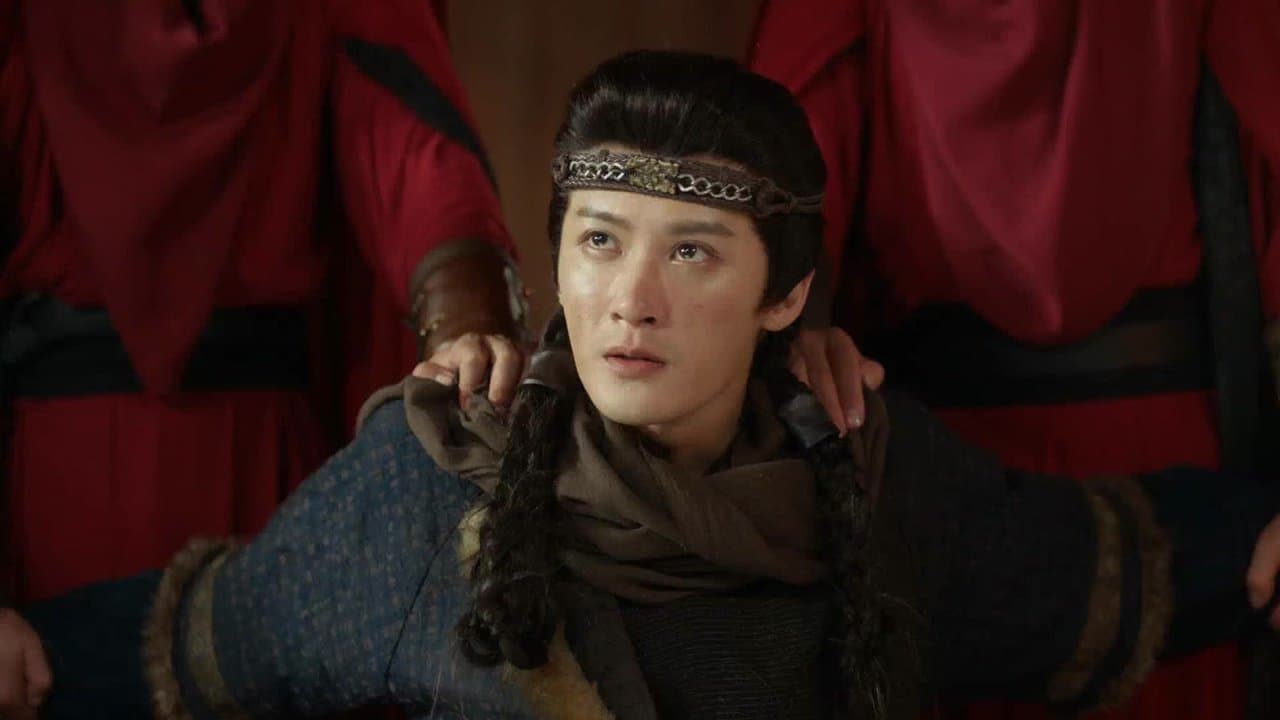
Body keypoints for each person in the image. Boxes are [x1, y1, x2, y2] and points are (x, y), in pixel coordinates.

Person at [8, 51, 1280, 720]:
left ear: (784, 294)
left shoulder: (868, 473)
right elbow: (209, 640)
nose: (629, 298)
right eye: (599, 240)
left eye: (691, 252)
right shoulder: (429, 489)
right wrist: (25, 656)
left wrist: (1255, 540)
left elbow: (1094, 567)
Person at [747, 2, 1280, 718]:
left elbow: (775, 218)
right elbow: (776, 219)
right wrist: (797, 343)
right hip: (947, 479)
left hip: (1150, 496)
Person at [0, 0, 523, 608]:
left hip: (251, 472)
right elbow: (416, 155)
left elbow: (415, 156)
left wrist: (468, 330)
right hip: (114, 474)